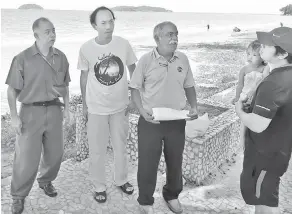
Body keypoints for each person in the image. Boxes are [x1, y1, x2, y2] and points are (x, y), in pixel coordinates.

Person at [129, 21, 199, 214]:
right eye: (169, 34)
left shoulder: (183, 59)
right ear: (157, 38)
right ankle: (145, 200)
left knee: (175, 161)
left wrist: (193, 106)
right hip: (150, 121)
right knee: (148, 162)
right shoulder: (145, 60)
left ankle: (172, 195)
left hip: (176, 121)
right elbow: (134, 88)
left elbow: (189, 86)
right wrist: (142, 111)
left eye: (176, 34)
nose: (174, 38)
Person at [5, 17, 70, 214]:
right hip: (30, 112)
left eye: (54, 31)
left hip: (54, 110)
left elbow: (65, 86)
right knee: (25, 158)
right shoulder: (22, 58)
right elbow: (11, 91)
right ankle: (18, 196)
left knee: (56, 153)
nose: (53, 35)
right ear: (36, 35)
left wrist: (67, 109)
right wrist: (14, 117)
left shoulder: (61, 57)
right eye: (48, 31)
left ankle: (45, 181)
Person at [235, 27, 292, 214]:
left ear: (281, 53)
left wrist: (239, 110)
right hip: (276, 154)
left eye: (267, 44)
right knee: (265, 200)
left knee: (265, 205)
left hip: (265, 157)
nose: (261, 47)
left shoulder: (274, 83)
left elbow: (257, 124)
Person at [77, 6, 137, 203]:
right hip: (96, 108)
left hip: (120, 107)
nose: (109, 26)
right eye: (103, 22)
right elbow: (84, 77)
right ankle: (99, 186)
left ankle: (121, 180)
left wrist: (134, 97)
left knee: (121, 147)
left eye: (111, 21)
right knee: (97, 151)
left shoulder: (123, 44)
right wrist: (85, 105)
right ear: (94, 25)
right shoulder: (86, 48)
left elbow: (133, 69)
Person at [232, 40, 269, 149]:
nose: (250, 57)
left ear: (262, 56)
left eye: (254, 55)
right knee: (244, 119)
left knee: (254, 120)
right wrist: (237, 97)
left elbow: (265, 84)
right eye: (248, 53)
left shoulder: (265, 69)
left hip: (257, 100)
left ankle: (253, 140)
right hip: (244, 98)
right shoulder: (244, 69)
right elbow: (240, 85)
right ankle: (242, 142)